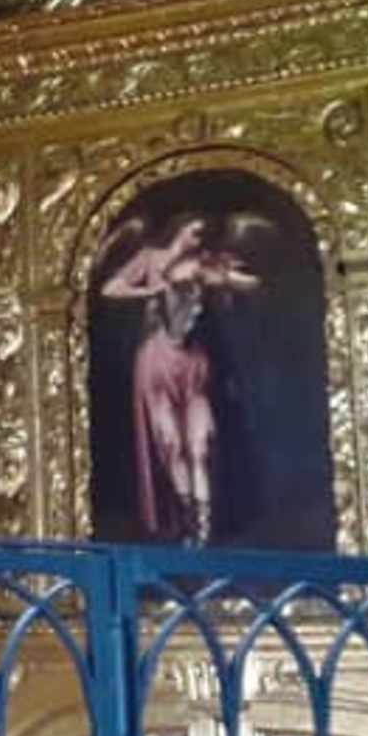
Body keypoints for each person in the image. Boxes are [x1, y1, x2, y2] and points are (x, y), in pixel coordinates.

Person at [96, 216, 261, 545]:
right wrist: (150, 290)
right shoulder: (150, 258)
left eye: (204, 233)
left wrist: (220, 278)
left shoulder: (205, 264)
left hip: (192, 364)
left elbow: (250, 283)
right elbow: (110, 289)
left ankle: (204, 527)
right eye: (194, 230)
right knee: (170, 443)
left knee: (200, 445)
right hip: (158, 360)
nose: (199, 237)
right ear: (179, 228)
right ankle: (187, 522)